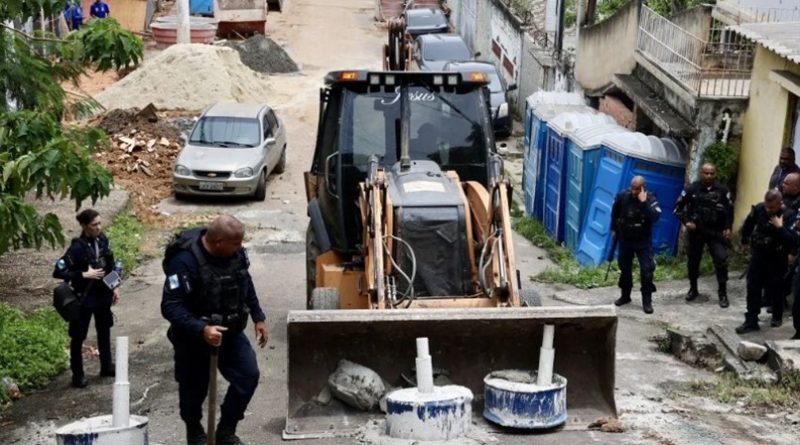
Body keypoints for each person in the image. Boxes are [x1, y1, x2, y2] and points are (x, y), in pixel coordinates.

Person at [161, 215, 268, 445]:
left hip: (229, 332)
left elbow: (245, 282)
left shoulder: (235, 254)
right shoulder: (184, 262)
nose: (240, 248)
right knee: (194, 390)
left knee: (248, 376)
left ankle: (226, 430)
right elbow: (170, 306)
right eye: (236, 243)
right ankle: (195, 432)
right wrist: (201, 329)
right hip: (194, 339)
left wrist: (258, 317)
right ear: (219, 242)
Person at [53, 209, 119, 388]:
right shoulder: (77, 247)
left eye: (99, 223)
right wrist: (83, 274)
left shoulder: (103, 240)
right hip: (84, 298)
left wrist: (115, 287)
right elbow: (58, 271)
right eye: (94, 225)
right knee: (78, 336)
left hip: (103, 296)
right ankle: (78, 375)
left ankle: (106, 365)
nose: (98, 227)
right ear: (84, 226)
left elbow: (110, 265)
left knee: (104, 330)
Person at [737, 190, 798, 334]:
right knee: (753, 286)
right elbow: (749, 223)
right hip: (759, 254)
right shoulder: (759, 208)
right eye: (767, 206)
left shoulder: (789, 215)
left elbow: (793, 240)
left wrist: (780, 227)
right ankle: (751, 320)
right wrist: (744, 240)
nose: (768, 210)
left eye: (772, 208)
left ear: (780, 203)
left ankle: (777, 315)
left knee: (776, 288)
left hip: (777, 257)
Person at [674, 163, 734, 308]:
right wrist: (687, 222)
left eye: (711, 173)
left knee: (721, 260)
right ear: (701, 173)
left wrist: (728, 227)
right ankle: (693, 289)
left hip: (715, 232)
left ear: (715, 174)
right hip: (696, 232)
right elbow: (677, 209)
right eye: (706, 173)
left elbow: (729, 211)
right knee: (693, 262)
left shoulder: (722, 190)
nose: (709, 176)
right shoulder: (691, 189)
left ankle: (722, 293)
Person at [610, 176, 662, 314]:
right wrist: (614, 229)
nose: (634, 192)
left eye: (637, 189)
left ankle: (647, 301)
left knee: (646, 271)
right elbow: (614, 213)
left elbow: (655, 217)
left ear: (643, 188)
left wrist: (644, 203)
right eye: (632, 188)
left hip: (643, 241)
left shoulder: (650, 199)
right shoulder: (622, 196)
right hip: (626, 239)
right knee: (625, 269)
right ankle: (625, 296)